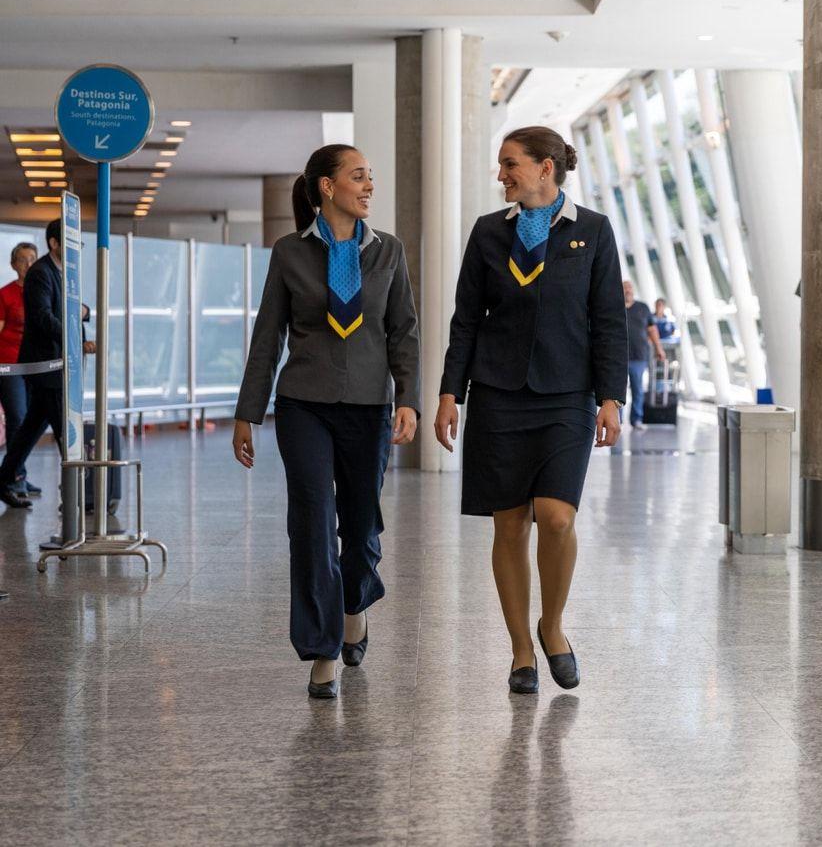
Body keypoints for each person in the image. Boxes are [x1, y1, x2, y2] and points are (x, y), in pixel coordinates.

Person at [434, 126, 628, 695]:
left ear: (545, 168)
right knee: (511, 522)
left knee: (558, 516)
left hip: (568, 395)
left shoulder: (593, 231)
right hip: (498, 395)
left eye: (510, 164)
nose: (502, 175)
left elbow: (608, 321)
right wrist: (451, 393)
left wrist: (610, 396)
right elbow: (465, 318)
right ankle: (522, 649)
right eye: (501, 165)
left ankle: (553, 626)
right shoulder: (489, 234)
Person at [232, 144, 421, 700]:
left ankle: (355, 601)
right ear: (327, 188)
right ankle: (322, 648)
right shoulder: (289, 252)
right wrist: (248, 412)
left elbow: (403, 331)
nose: (369, 187)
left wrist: (407, 397)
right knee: (312, 522)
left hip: (368, 407)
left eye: (371, 177)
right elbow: (268, 337)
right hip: (304, 405)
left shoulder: (389, 251)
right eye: (358, 177)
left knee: (361, 526)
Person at [0, 220, 93, 509]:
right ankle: (77, 497)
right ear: (54, 243)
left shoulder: (62, 271)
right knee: (66, 433)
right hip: (46, 366)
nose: (76, 248)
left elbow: (68, 309)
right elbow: (42, 318)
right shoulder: (41, 273)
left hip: (55, 365)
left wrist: (85, 313)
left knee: (30, 429)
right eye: (71, 242)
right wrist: (75, 341)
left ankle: (3, 479)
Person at [0, 242, 39, 497]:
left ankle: (17, 472)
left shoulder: (41, 291)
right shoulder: (5, 295)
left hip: (35, 364)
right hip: (9, 364)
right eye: (22, 260)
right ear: (14, 265)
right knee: (18, 417)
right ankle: (14, 477)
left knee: (32, 421)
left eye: (32, 259)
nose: (28, 264)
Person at [623, 280, 665, 433]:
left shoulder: (643, 308)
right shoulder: (614, 307)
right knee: (617, 391)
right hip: (618, 357)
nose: (627, 290)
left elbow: (652, 330)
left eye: (629, 287)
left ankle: (637, 419)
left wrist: (659, 348)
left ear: (633, 290)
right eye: (624, 288)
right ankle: (618, 421)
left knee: (637, 389)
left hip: (639, 356)